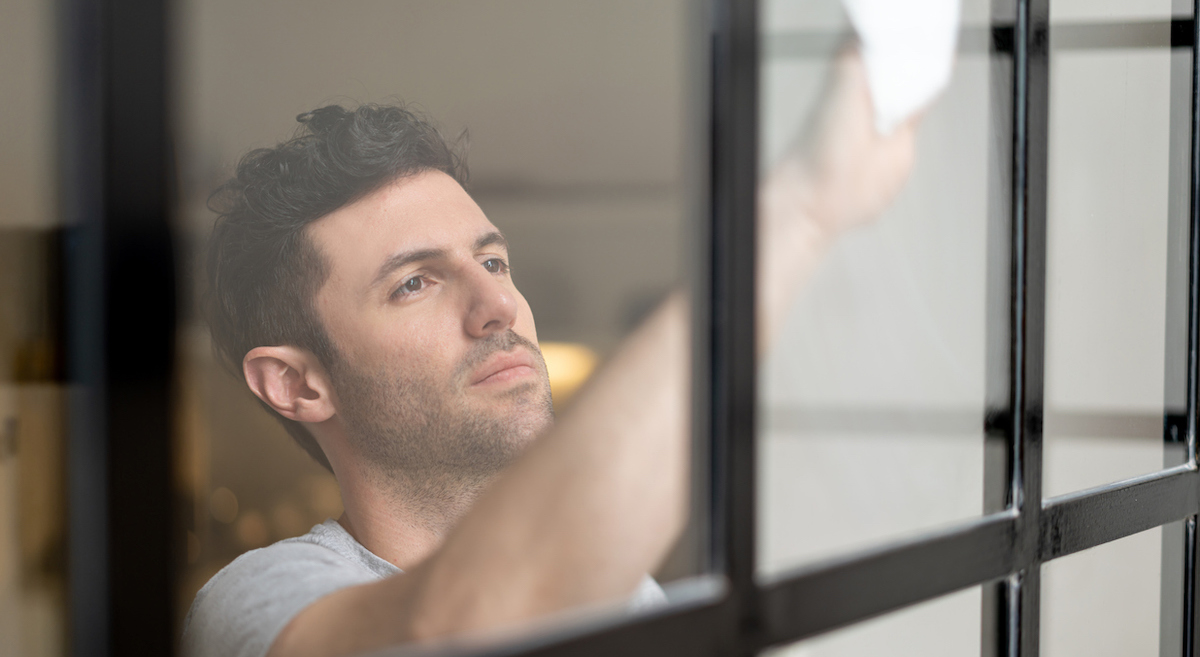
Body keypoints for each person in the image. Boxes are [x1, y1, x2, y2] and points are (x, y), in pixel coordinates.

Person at [182, 50, 920, 657]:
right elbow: (452, 629)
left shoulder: (627, 595)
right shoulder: (256, 604)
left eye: (494, 263)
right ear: (296, 383)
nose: (499, 306)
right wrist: (800, 211)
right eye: (414, 283)